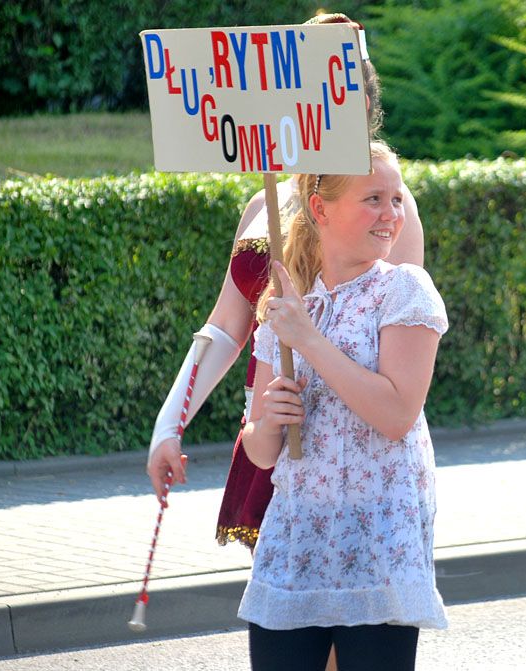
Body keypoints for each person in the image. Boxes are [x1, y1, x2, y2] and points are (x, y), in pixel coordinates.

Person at [145, 12, 424, 540]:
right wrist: (169, 424)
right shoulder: (262, 204)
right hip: (270, 426)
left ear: (362, 106)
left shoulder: (388, 209)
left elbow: (401, 347)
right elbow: (226, 327)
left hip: (345, 451)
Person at [235, 139, 447, 670]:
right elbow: (260, 451)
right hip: (297, 540)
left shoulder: (405, 290)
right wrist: (270, 420)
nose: (391, 213)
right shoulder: (288, 307)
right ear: (320, 208)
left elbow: (397, 415)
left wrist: (309, 342)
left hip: (378, 542)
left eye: (396, 199)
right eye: (373, 199)